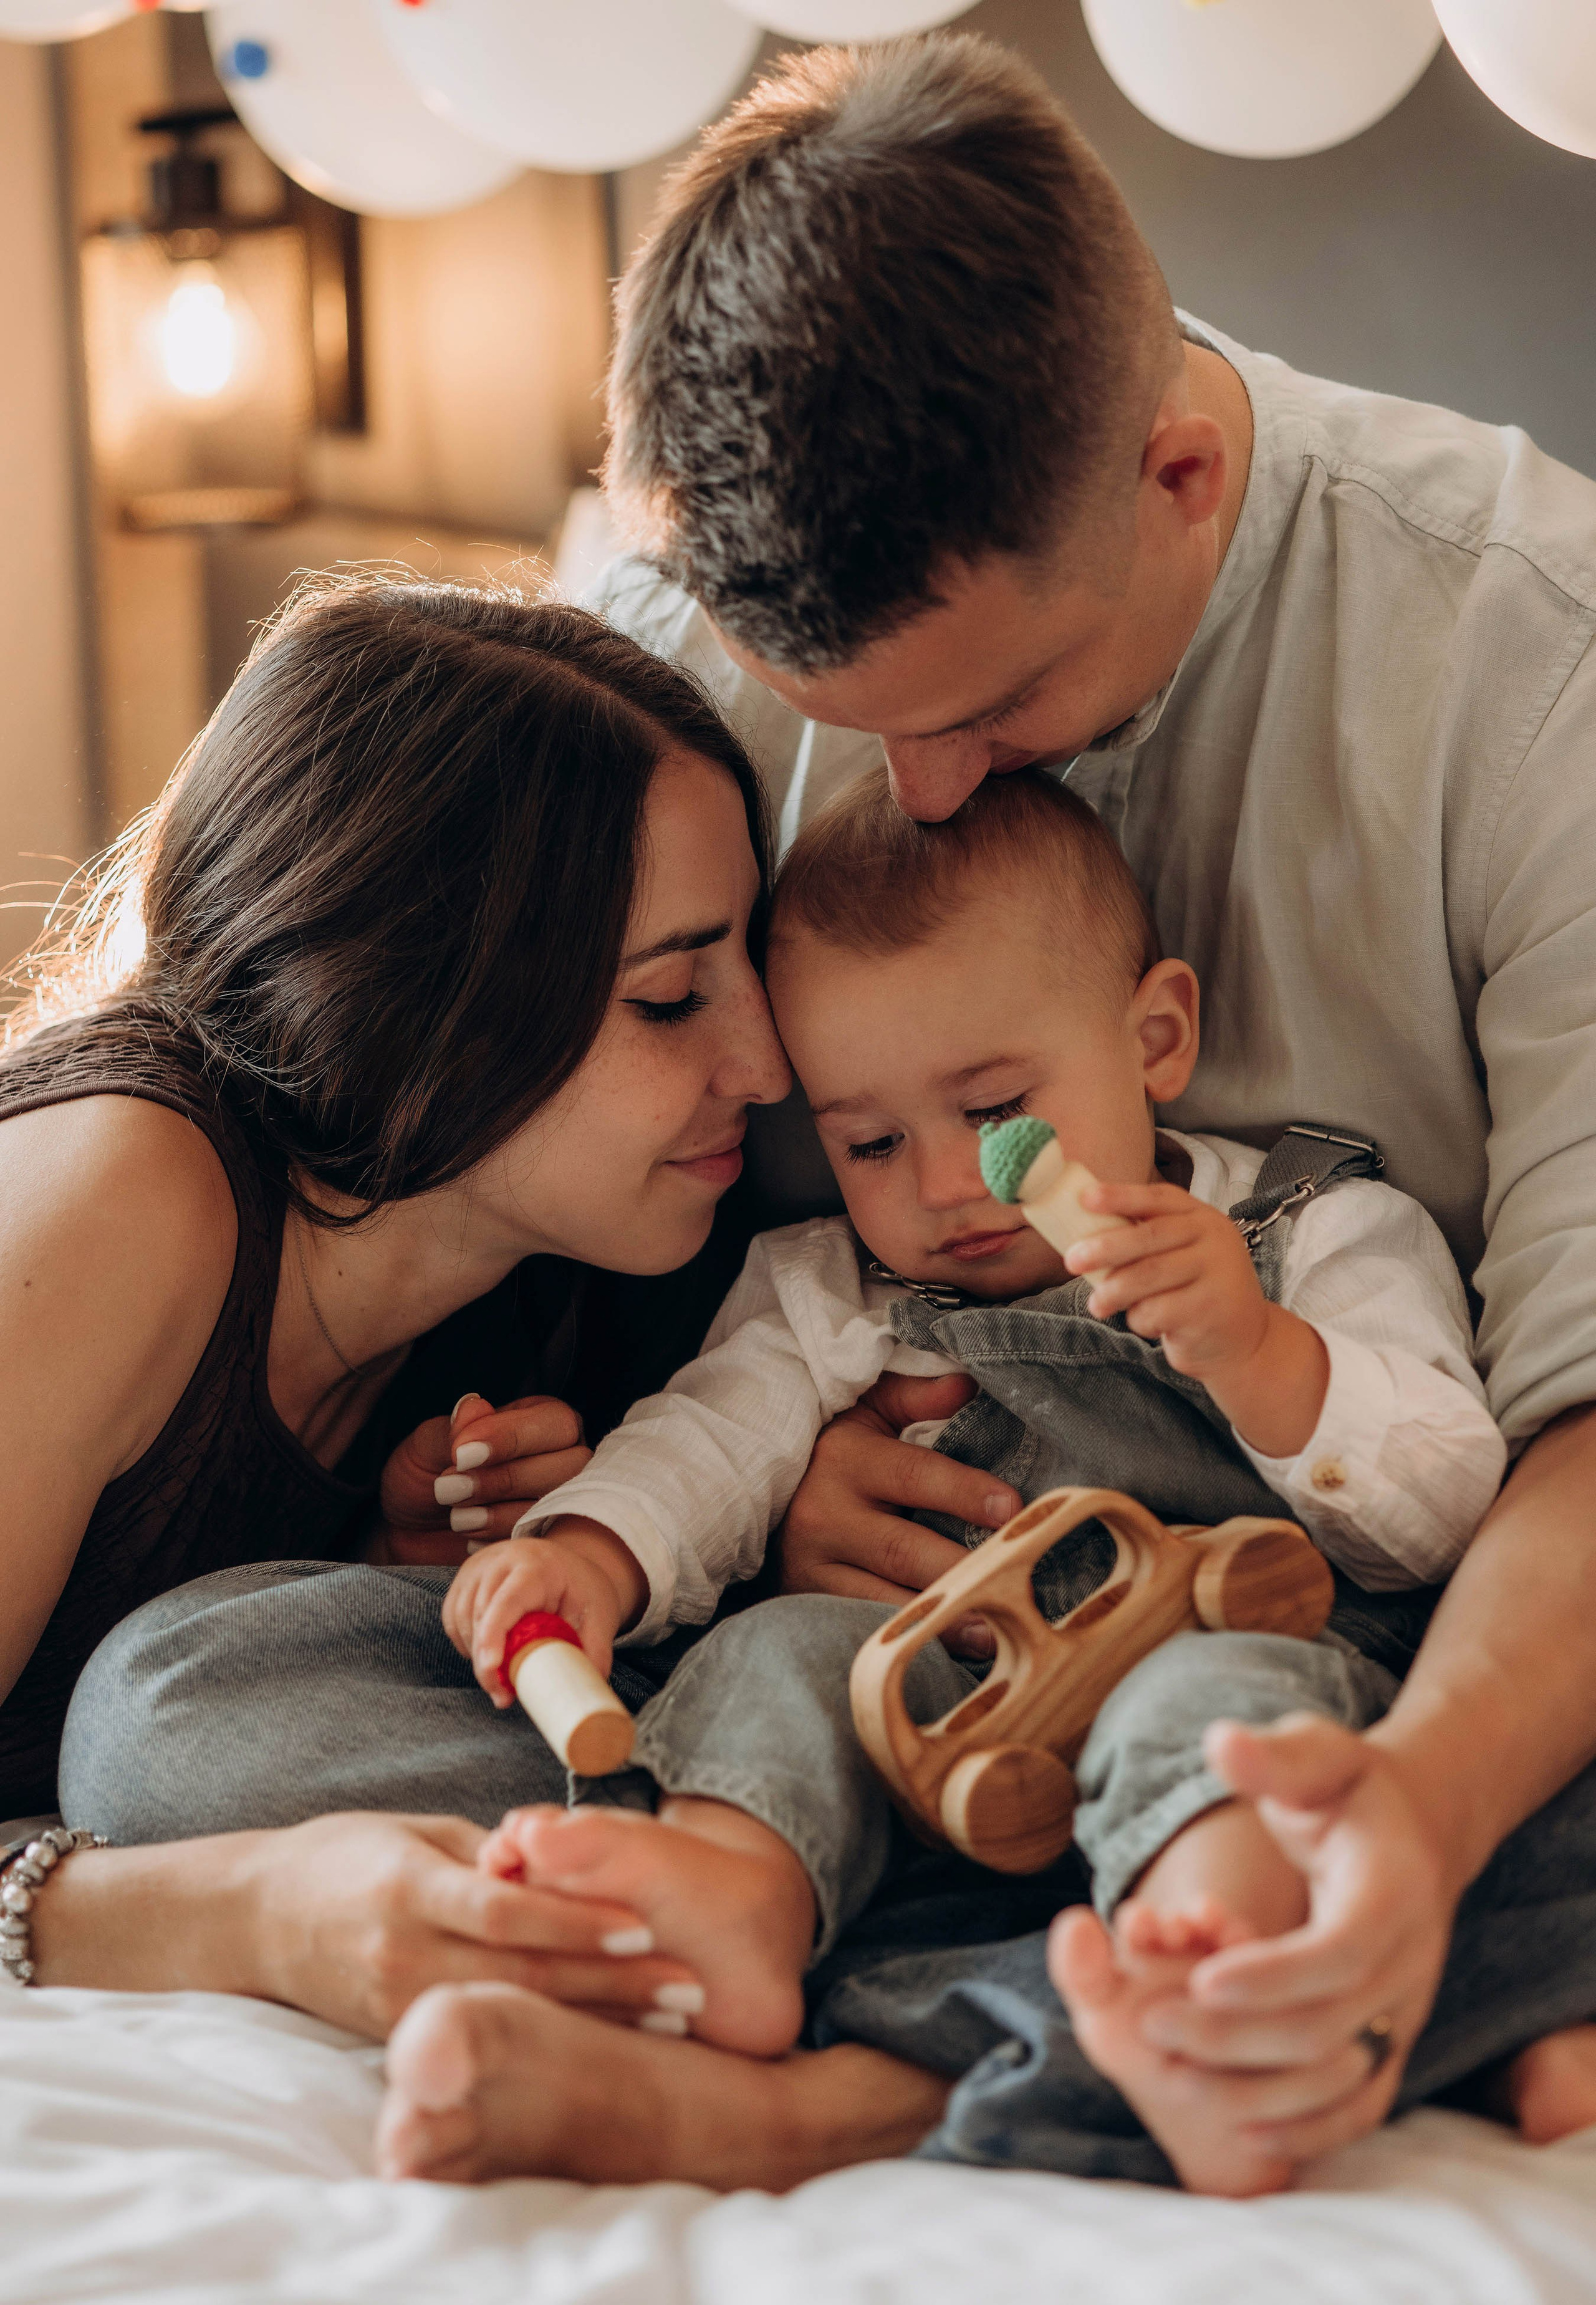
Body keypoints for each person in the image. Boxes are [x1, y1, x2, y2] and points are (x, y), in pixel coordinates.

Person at [564, 31, 1596, 2178]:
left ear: (1182, 474)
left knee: (1337, 1759)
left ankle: (873, 2080)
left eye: (996, 701)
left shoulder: (1535, 664)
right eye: (857, 729)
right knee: (219, 1690)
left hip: (1378, 1612)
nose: (920, 789)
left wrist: (1407, 1806)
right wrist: (692, 1491)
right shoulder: (666, 661)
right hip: (870, 1642)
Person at [386, 765, 1512, 2197]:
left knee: (1222, 1726)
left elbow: (1449, 1514)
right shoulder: (833, 1286)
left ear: (1153, 1036)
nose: (939, 1187)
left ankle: (1208, 1994)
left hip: (1226, 1641)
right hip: (935, 1697)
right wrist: (590, 1554)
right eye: (866, 1142)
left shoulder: (1316, 1229)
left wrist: (1256, 1348)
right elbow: (709, 1440)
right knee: (776, 1651)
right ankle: (730, 1895)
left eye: (993, 1111)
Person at [0, 574, 794, 2036]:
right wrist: (260, 1911)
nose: (765, 1062)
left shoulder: (544, 1267)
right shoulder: (123, 1196)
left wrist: (380, 1558)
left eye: (753, 959)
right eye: (672, 999)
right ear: (432, 999)